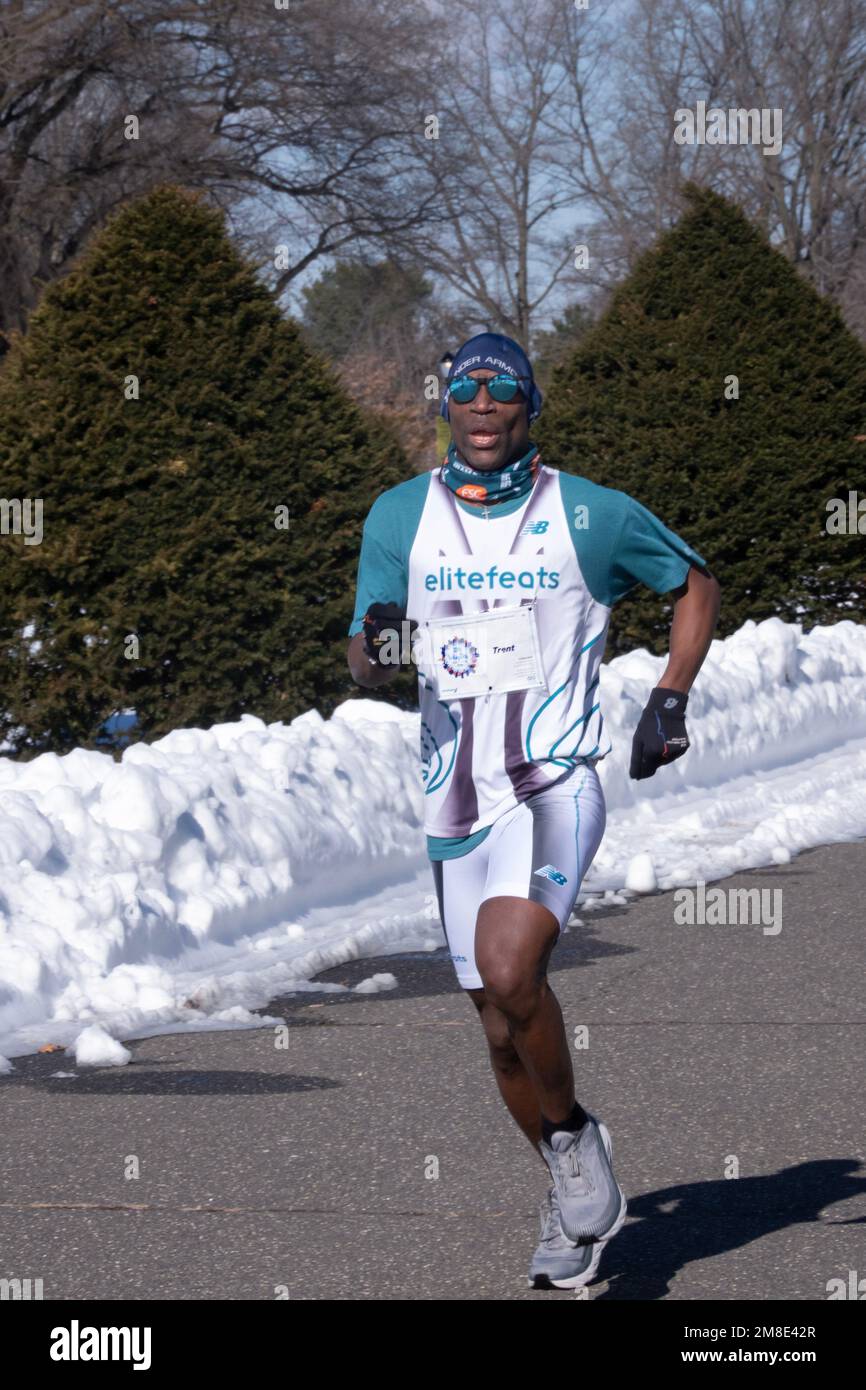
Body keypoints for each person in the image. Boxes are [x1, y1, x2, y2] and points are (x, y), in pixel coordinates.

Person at [346, 332, 720, 1289]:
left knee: (515, 969)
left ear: (529, 407)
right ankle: (568, 1157)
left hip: (555, 781)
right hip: (454, 794)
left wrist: (668, 697)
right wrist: (382, 644)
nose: (481, 406)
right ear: (444, 408)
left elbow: (693, 582)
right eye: (463, 392)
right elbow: (364, 654)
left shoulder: (588, 513)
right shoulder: (399, 515)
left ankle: (574, 1148)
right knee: (498, 1024)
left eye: (501, 392)